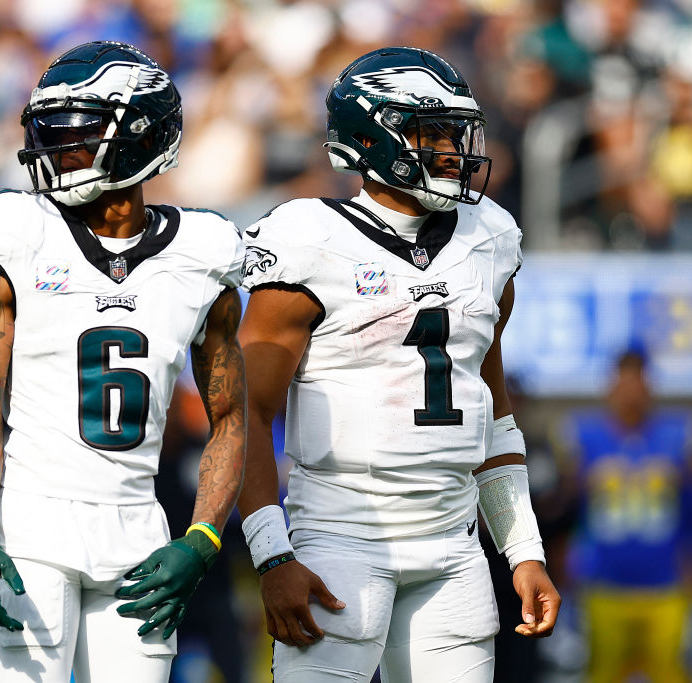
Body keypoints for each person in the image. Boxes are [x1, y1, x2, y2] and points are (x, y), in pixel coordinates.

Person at [235, 46, 560, 682]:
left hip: (453, 544)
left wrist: (523, 549)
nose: (450, 151)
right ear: (368, 137)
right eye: (428, 133)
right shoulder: (309, 239)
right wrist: (271, 554)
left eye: (454, 133)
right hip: (339, 535)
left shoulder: (488, 238)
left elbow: (491, 412)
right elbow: (245, 410)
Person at [0, 41, 246, 683]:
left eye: (76, 133)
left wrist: (204, 538)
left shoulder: (203, 253)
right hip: (32, 522)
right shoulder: (16, 232)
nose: (52, 149)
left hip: (140, 527)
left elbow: (230, 420)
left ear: (139, 137)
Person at [552, 348, 692, 683]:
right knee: (603, 673)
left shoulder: (679, 433)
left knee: (672, 672)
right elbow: (566, 508)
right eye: (624, 382)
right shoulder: (584, 434)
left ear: (650, 387)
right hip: (603, 582)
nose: (631, 392)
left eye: (638, 382)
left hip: (666, 583)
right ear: (610, 387)